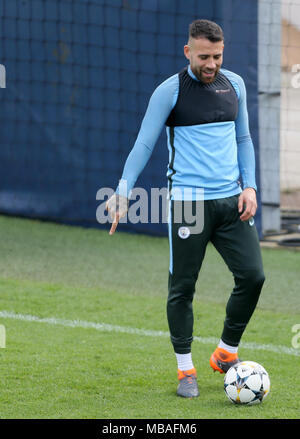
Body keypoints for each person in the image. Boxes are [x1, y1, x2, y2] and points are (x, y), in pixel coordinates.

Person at [105, 19, 265, 398]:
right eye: (204, 56)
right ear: (187, 51)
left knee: (253, 276)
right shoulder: (169, 91)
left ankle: (226, 352)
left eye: (218, 56)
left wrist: (250, 186)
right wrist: (123, 191)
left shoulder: (236, 85)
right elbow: (143, 145)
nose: (211, 64)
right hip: (188, 205)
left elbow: (243, 138)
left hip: (232, 202)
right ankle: (185, 371)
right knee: (183, 287)